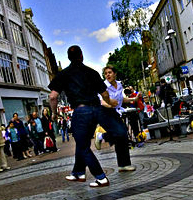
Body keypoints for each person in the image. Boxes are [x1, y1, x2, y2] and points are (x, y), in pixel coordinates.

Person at [48, 45, 118, 187]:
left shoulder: (64, 74)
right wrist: (110, 103)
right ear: (82, 56)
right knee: (82, 143)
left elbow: (53, 97)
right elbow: (104, 93)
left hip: (81, 111)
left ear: (68, 58)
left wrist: (54, 114)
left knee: (83, 146)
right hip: (95, 111)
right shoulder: (91, 72)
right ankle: (78, 172)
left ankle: (101, 177)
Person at [93, 65, 138, 173]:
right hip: (104, 112)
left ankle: (124, 165)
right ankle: (101, 135)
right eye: (106, 73)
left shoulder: (119, 84)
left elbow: (121, 99)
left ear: (115, 73)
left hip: (115, 112)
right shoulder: (103, 85)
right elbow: (101, 100)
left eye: (110, 72)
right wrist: (108, 104)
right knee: (120, 133)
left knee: (122, 135)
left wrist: (133, 99)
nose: (108, 75)